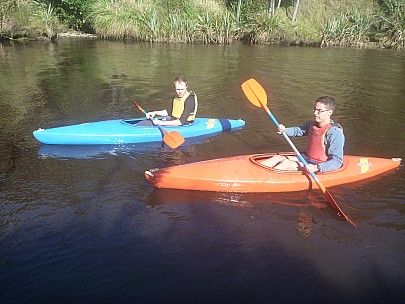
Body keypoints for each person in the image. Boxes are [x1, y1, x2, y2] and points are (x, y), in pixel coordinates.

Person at [261, 96, 344, 173]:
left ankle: (262, 178)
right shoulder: (312, 124)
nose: (315, 113)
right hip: (306, 158)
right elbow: (299, 130)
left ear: (329, 112)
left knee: (285, 164)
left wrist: (317, 167)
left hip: (317, 164)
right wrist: (285, 130)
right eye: (314, 109)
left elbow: (337, 161)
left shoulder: (335, 133)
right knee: (276, 158)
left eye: (319, 111)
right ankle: (253, 171)